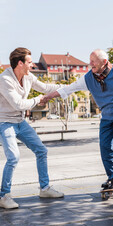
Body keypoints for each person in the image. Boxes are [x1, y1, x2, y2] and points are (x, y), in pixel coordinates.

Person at [42, 49, 113, 192]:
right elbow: (68, 89)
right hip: (107, 116)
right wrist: (47, 97)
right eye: (90, 61)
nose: (90, 64)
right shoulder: (88, 78)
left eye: (93, 61)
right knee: (105, 147)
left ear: (105, 62)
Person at [0, 48, 64, 209]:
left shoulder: (28, 76)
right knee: (13, 157)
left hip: (20, 122)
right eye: (29, 62)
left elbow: (45, 87)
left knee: (41, 150)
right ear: (20, 63)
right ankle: (4, 196)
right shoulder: (5, 79)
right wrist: (37, 99)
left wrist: (69, 88)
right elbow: (18, 104)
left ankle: (44, 188)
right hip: (5, 122)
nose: (32, 65)